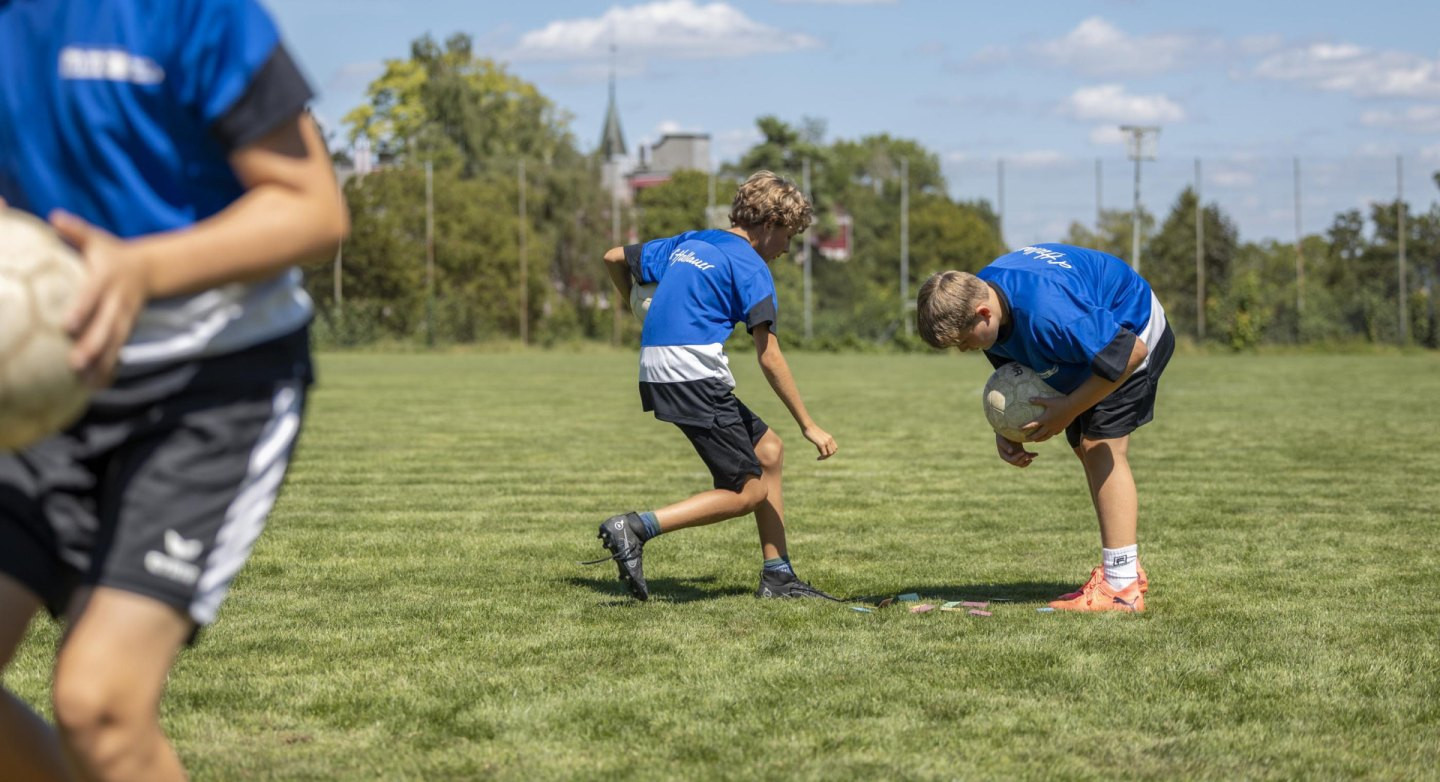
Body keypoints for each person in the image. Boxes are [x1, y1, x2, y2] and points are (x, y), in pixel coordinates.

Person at [0, 1, 347, 779]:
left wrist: (141, 268)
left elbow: (314, 209)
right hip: (43, 390)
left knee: (101, 708)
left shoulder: (192, 12)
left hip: (210, 382)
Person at [587, 171, 839, 601]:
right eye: (789, 236)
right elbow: (769, 355)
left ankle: (778, 574)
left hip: (660, 365)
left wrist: (634, 306)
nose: (786, 249)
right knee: (747, 490)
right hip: (691, 370)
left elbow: (614, 257)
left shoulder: (693, 241)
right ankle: (635, 527)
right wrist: (809, 424)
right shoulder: (751, 267)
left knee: (769, 451)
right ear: (769, 225)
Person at [915, 243, 1174, 612]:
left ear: (983, 313)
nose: (965, 350)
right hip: (1095, 338)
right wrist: (1005, 428)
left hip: (1134, 327)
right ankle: (1124, 566)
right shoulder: (989, 299)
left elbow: (1129, 353)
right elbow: (1014, 371)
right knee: (1085, 447)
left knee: (1100, 445)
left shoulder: (1052, 315)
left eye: (963, 342)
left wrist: (1068, 408)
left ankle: (1122, 591)